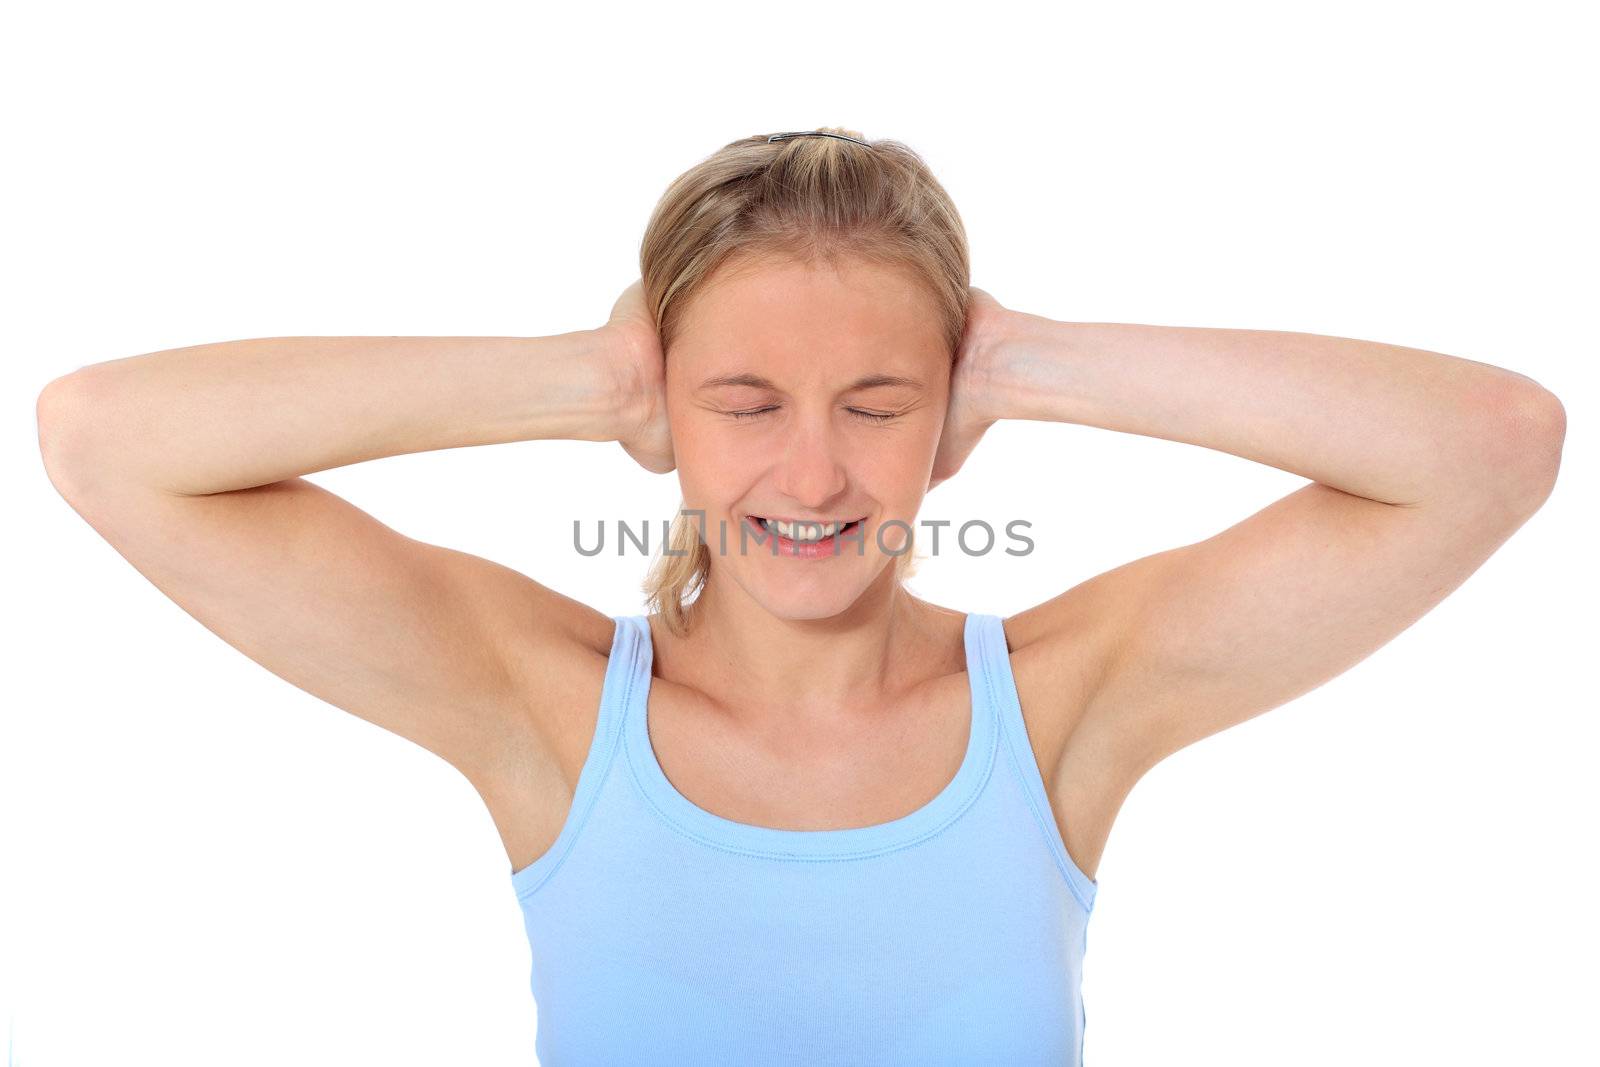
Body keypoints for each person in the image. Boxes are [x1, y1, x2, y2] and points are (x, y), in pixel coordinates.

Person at [34, 128, 1566, 1065]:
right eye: (748, 402)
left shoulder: (1065, 699)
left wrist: (1025, 360)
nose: (817, 476)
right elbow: (101, 439)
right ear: (666, 411)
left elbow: (1494, 449)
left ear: (955, 415)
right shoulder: (546, 704)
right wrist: (589, 377)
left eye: (881, 401)